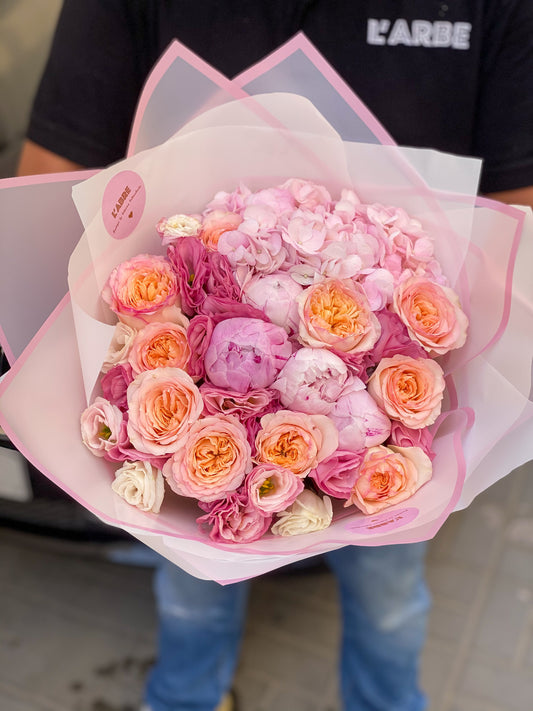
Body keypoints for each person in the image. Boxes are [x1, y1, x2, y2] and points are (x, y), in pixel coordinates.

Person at [16, 3, 533, 711]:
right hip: (190, 415)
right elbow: (53, 171)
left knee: (388, 601)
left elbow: (517, 220)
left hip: (400, 432)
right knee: (192, 585)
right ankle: (184, 698)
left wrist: (432, 375)